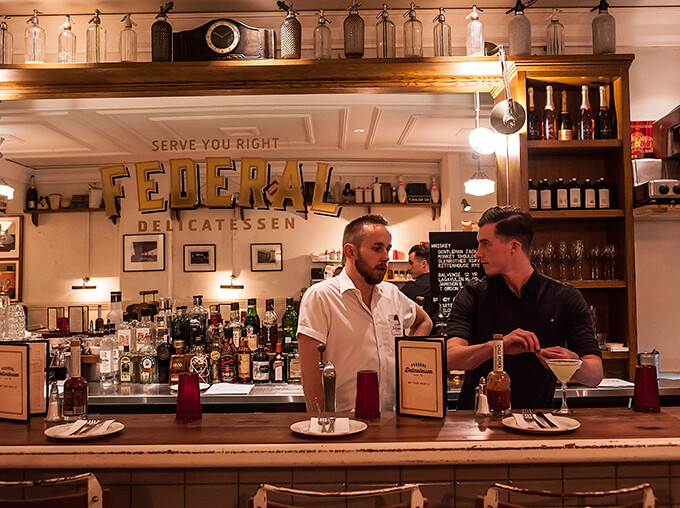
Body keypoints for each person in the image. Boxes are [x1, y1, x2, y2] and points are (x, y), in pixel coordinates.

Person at [446, 205, 603, 410]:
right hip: (477, 421)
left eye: (485, 244)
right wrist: (498, 347)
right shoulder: (473, 293)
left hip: (537, 421)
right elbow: (449, 358)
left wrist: (574, 365)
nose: (478, 254)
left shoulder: (564, 297)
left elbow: (595, 375)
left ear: (514, 246)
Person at [298, 214, 433, 413]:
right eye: (377, 248)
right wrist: (319, 422)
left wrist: (408, 361)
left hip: (391, 420)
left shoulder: (391, 293)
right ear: (350, 251)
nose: (386, 257)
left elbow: (424, 321)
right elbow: (310, 375)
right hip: (343, 424)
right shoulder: (321, 296)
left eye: (387, 248)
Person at [400, 243, 436, 321]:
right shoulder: (439, 285)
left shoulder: (411, 288)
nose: (408, 268)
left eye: (411, 263)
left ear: (424, 264)